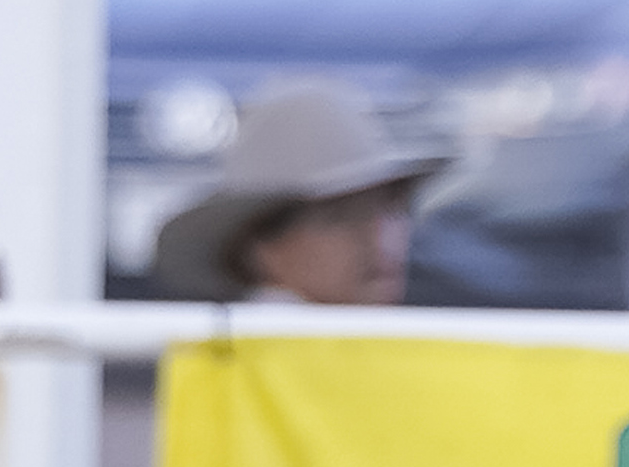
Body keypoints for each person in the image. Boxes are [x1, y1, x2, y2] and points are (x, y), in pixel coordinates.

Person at [147, 81, 444, 309]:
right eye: (339, 217)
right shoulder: (242, 364)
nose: (378, 238)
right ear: (258, 247)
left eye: (392, 208)